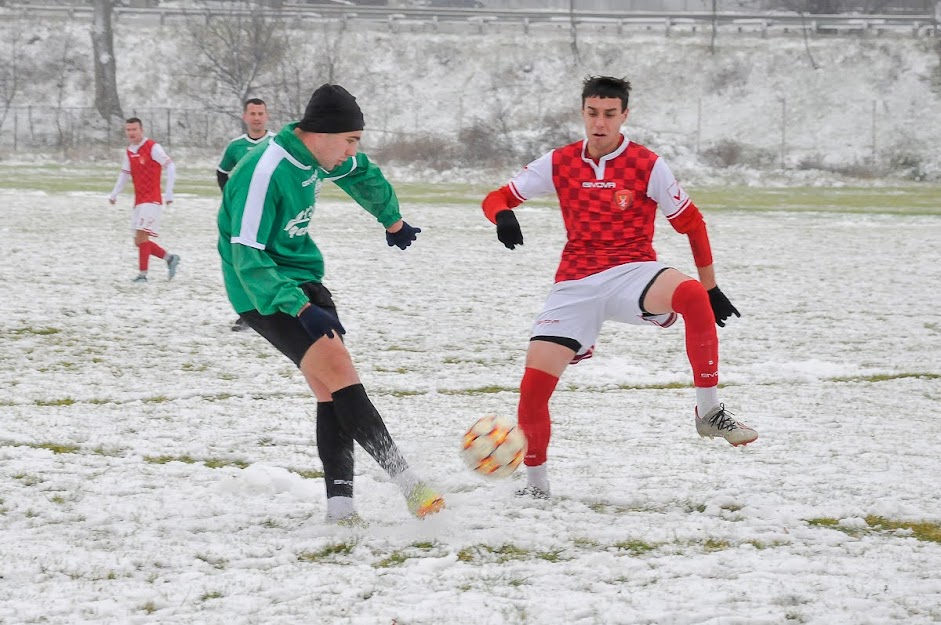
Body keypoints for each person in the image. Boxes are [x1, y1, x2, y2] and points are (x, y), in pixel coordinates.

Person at [481, 75, 757, 499]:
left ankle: (709, 411)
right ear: (583, 113)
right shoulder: (560, 162)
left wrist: (711, 287)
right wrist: (502, 214)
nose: (600, 122)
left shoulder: (647, 165)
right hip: (575, 283)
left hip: (633, 271)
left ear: (624, 115)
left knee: (691, 297)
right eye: (593, 113)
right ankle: (536, 488)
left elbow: (692, 223)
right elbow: (497, 196)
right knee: (533, 389)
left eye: (610, 114)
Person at [217, 83, 444, 524]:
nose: (352, 150)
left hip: (303, 277)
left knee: (330, 390)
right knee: (340, 372)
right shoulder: (264, 171)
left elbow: (361, 173)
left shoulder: (313, 156)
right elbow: (247, 256)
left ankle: (340, 510)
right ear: (320, 132)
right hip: (260, 290)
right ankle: (409, 485)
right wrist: (299, 307)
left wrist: (391, 218)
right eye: (350, 140)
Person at [216, 98, 275, 331]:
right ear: (245, 117)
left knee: (272, 262)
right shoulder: (235, 147)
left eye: (261, 113)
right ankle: (249, 314)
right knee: (244, 263)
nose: (257, 117)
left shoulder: (276, 143)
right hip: (244, 219)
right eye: (253, 113)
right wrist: (232, 203)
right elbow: (222, 173)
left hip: (271, 215)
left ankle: (273, 309)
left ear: (266, 116)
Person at [108, 117, 180, 283]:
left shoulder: (153, 147)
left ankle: (143, 275)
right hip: (139, 200)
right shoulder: (130, 151)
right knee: (139, 241)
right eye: (128, 130)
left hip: (152, 200)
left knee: (142, 238)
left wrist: (169, 193)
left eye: (134, 129)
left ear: (142, 130)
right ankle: (169, 258)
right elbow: (124, 174)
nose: (131, 133)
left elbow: (170, 166)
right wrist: (114, 194)